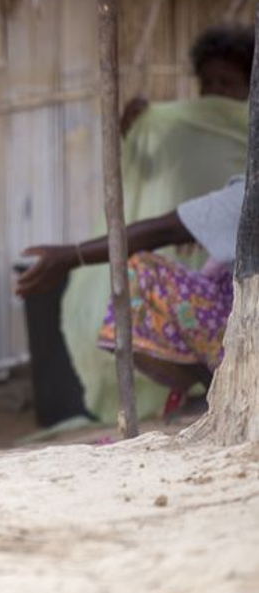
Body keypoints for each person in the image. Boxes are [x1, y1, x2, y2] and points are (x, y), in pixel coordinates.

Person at [58, 24, 252, 423]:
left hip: (235, 276)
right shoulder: (187, 129)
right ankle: (210, 385)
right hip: (205, 256)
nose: (216, 91)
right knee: (170, 297)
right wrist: (138, 127)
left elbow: (167, 226)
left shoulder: (246, 138)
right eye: (208, 81)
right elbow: (149, 171)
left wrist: (71, 256)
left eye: (228, 82)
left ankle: (219, 384)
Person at [16, 175, 244, 416]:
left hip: (246, 334)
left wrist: (73, 255)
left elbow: (164, 231)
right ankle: (220, 388)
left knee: (143, 272)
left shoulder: (246, 194)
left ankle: (223, 391)